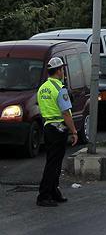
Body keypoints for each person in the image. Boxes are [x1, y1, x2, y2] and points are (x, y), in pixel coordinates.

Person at [36, 57, 78, 207]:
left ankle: (54, 192)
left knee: (52, 161)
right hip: (58, 127)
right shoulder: (60, 88)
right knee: (54, 163)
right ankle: (44, 195)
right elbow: (66, 113)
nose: (63, 72)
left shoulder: (43, 88)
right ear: (59, 71)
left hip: (48, 126)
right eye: (62, 69)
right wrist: (74, 131)